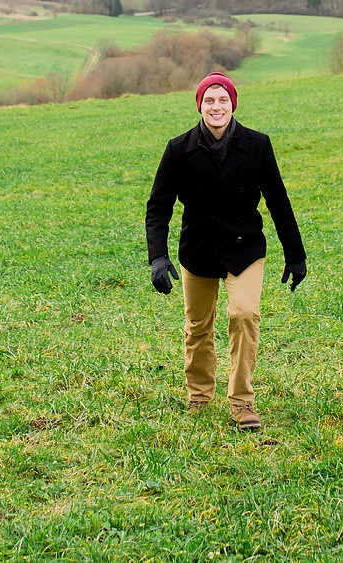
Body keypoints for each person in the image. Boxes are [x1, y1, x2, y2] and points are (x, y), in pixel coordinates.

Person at [144, 71, 308, 431]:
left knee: (245, 314)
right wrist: (157, 256)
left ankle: (242, 402)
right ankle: (200, 396)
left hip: (243, 246)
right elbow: (158, 207)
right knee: (198, 326)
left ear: (232, 103)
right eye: (209, 100)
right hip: (198, 249)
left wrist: (296, 255)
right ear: (200, 105)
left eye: (222, 99)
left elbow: (279, 202)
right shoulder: (178, 149)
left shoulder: (258, 145)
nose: (216, 106)